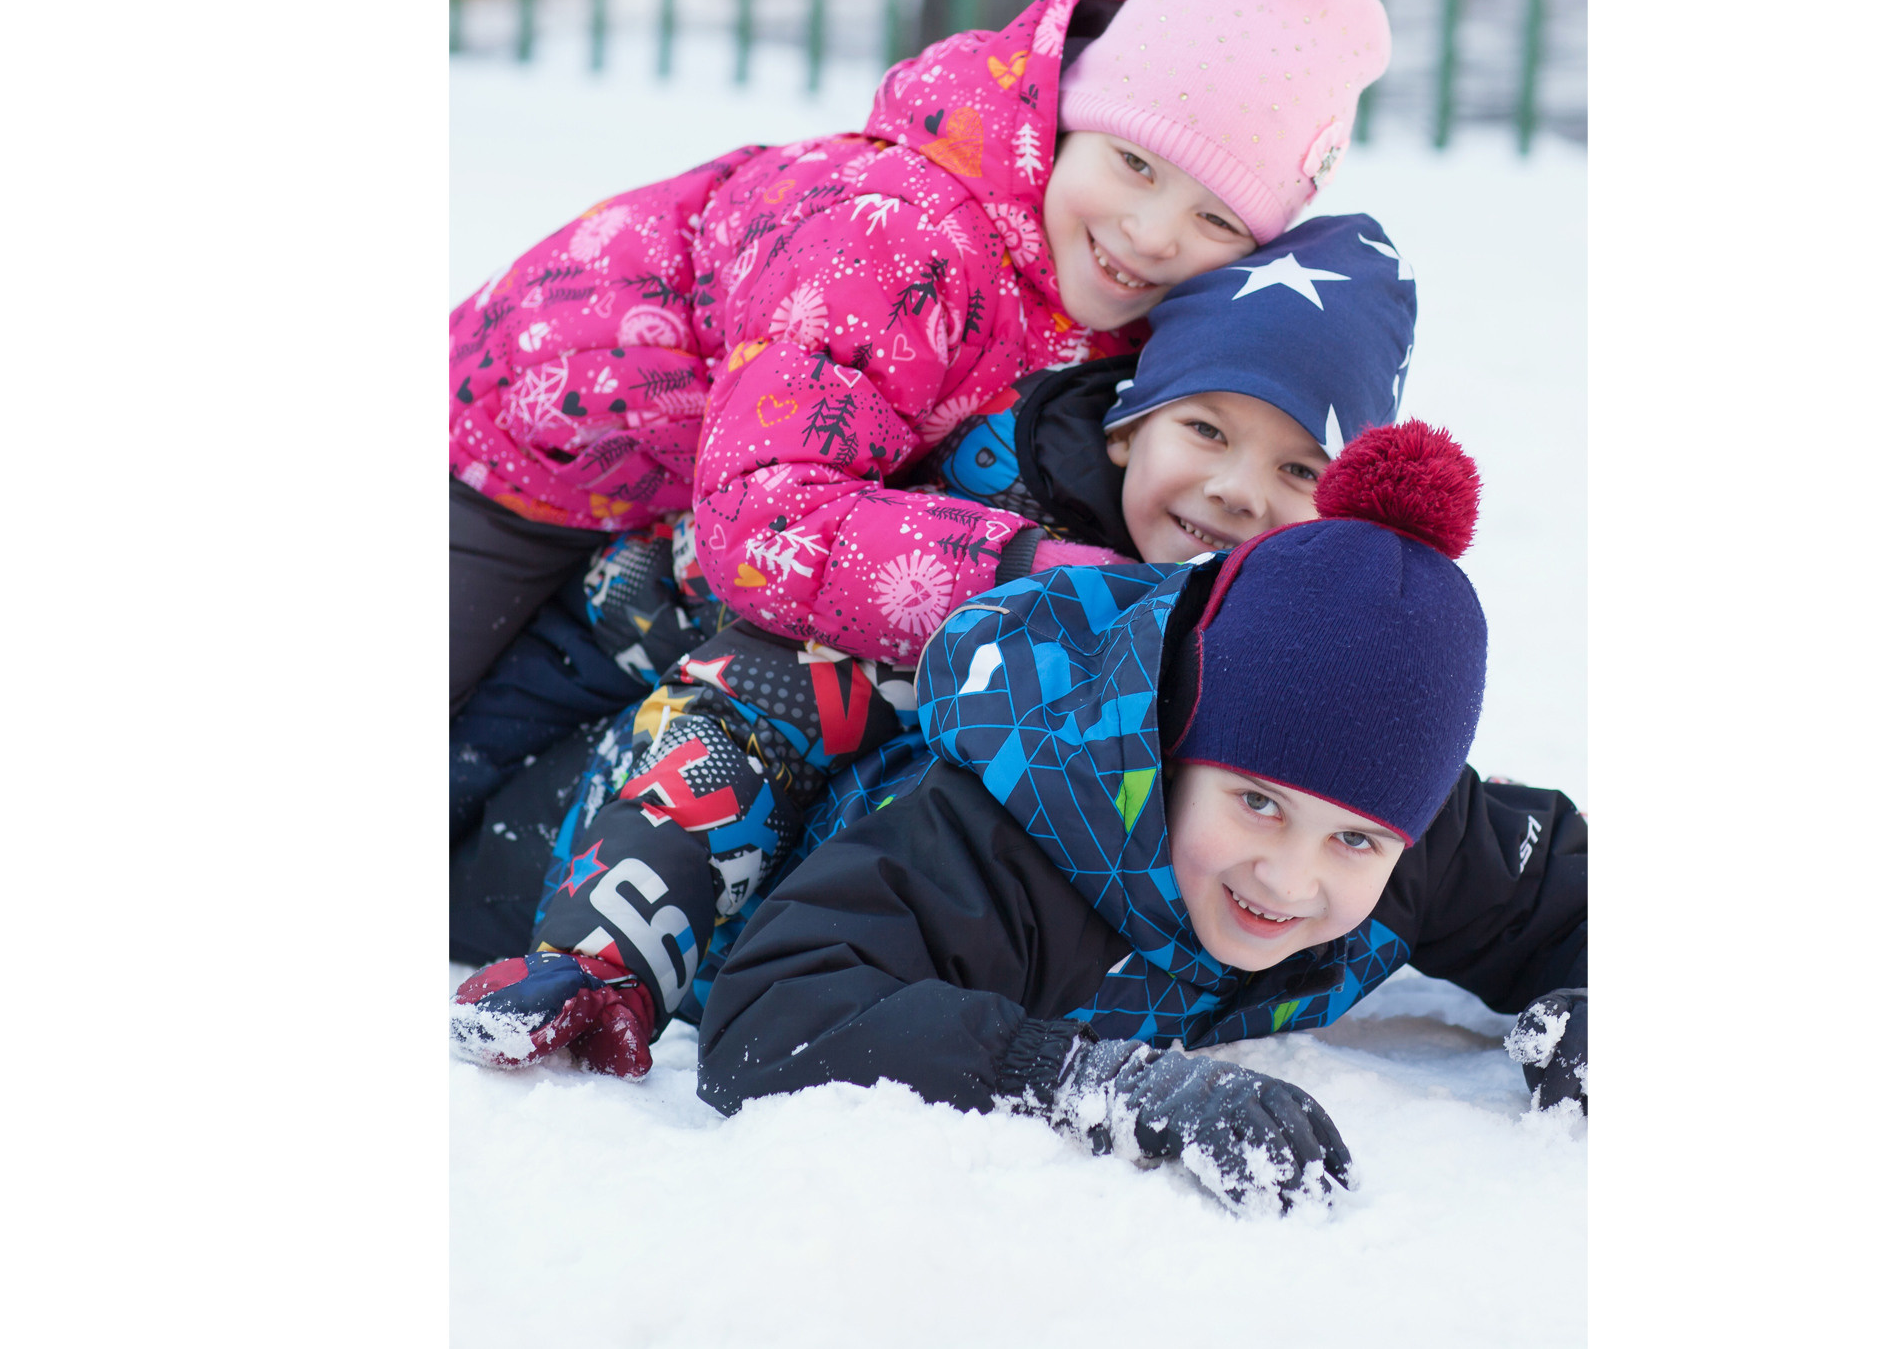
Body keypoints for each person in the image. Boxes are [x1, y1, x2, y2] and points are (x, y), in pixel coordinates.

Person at [453, 423, 1589, 1216]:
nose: (1291, 880)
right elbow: (777, 1017)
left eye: (1355, 841)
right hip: (601, 831)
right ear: (1172, 743)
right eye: (1253, 803)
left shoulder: (1412, 830)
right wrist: (1097, 1083)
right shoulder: (1011, 836)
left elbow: (1570, 894)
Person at [451, 0, 1393, 714]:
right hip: (514, 450)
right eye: (1133, 164)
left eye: (1216, 216)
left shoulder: (1119, 282)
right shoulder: (895, 240)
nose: (1152, 234)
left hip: (673, 493)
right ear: (1063, 120)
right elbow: (764, 518)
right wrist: (1024, 572)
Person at [446, 211, 1421, 972]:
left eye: (1300, 471)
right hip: (662, 651)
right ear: (1128, 427)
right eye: (1206, 431)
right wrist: (617, 945)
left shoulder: (1274, 610)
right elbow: (774, 686)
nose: (1237, 491)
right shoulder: (1001, 507)